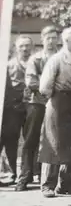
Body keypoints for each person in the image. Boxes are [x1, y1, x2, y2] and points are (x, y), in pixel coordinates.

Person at [38, 27, 71, 197]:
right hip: (59, 103)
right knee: (54, 143)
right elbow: (44, 87)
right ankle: (47, 185)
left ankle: (65, 184)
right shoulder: (56, 59)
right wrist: (57, 99)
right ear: (67, 41)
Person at [16, 27, 59, 191]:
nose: (51, 40)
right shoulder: (36, 59)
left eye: (54, 37)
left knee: (54, 139)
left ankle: (51, 180)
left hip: (56, 104)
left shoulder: (61, 57)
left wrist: (47, 83)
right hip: (37, 103)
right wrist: (51, 87)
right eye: (48, 37)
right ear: (42, 39)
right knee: (30, 140)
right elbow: (32, 82)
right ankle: (24, 177)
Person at [2, 36, 33, 186]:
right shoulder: (9, 65)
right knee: (11, 140)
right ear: (16, 47)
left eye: (27, 46)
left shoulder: (36, 63)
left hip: (32, 107)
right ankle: (12, 173)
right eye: (21, 46)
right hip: (14, 109)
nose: (25, 49)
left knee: (30, 140)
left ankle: (30, 173)